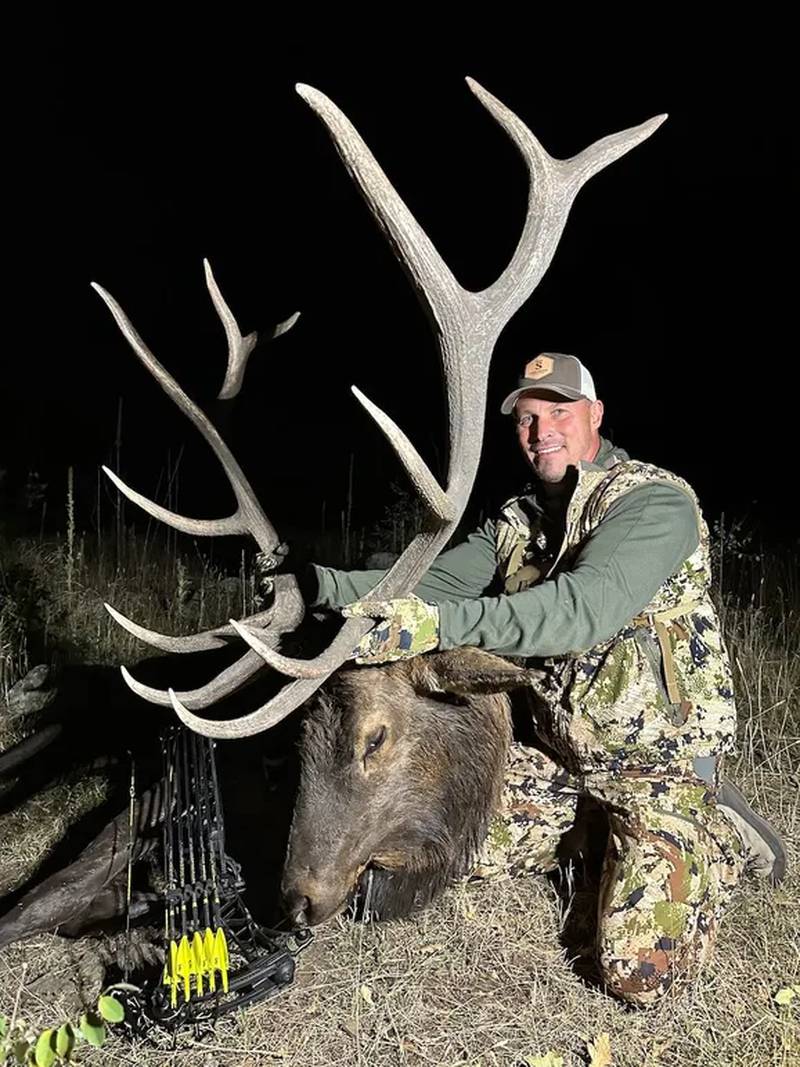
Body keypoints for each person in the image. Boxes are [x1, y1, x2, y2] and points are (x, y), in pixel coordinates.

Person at [303, 351, 787, 1007]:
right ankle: (595, 836)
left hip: (658, 764)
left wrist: (433, 625)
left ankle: (716, 831)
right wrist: (313, 588)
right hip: (562, 764)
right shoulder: (518, 521)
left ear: (596, 416)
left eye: (559, 411)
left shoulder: (655, 503)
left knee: (637, 973)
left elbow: (582, 609)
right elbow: (422, 585)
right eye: (528, 418)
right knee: (440, 850)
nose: (542, 431)